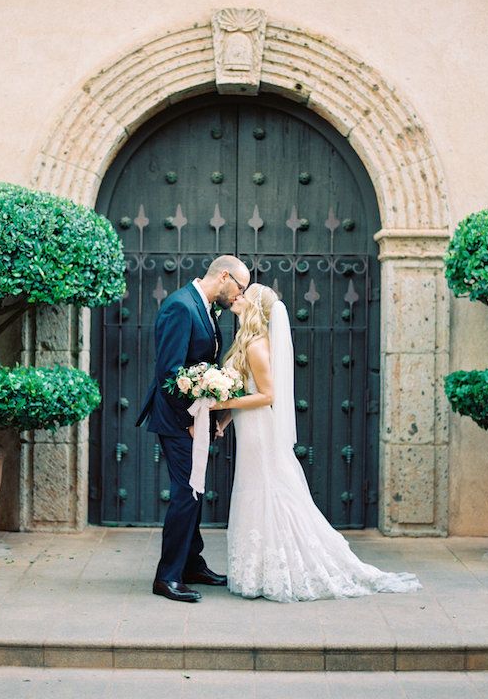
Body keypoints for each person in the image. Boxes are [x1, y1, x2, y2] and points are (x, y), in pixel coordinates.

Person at [214, 283, 422, 602]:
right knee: (260, 490)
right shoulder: (247, 341)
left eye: (244, 295)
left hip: (260, 432)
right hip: (248, 429)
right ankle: (258, 569)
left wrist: (220, 405)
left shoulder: (257, 345)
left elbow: (267, 396)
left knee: (269, 491)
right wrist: (226, 420)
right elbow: (245, 389)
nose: (237, 297)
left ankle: (276, 570)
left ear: (254, 306)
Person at [135, 255, 250, 602]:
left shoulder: (205, 306)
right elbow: (169, 372)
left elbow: (201, 367)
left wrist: (211, 418)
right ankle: (167, 576)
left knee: (195, 491)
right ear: (225, 276)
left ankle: (191, 564)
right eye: (240, 287)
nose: (239, 295)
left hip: (196, 419)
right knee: (186, 494)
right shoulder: (180, 306)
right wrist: (189, 421)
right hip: (178, 421)